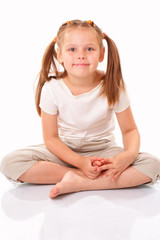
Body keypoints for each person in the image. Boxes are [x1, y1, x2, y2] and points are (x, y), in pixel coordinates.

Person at [1, 20, 160, 199]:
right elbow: (51, 139)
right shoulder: (52, 89)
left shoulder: (113, 85)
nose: (81, 55)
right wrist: (80, 163)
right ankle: (81, 175)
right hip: (64, 150)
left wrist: (128, 156)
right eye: (72, 49)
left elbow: (130, 130)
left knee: (152, 164)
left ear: (101, 54)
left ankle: (80, 181)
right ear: (60, 54)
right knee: (10, 162)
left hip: (103, 151)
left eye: (89, 49)